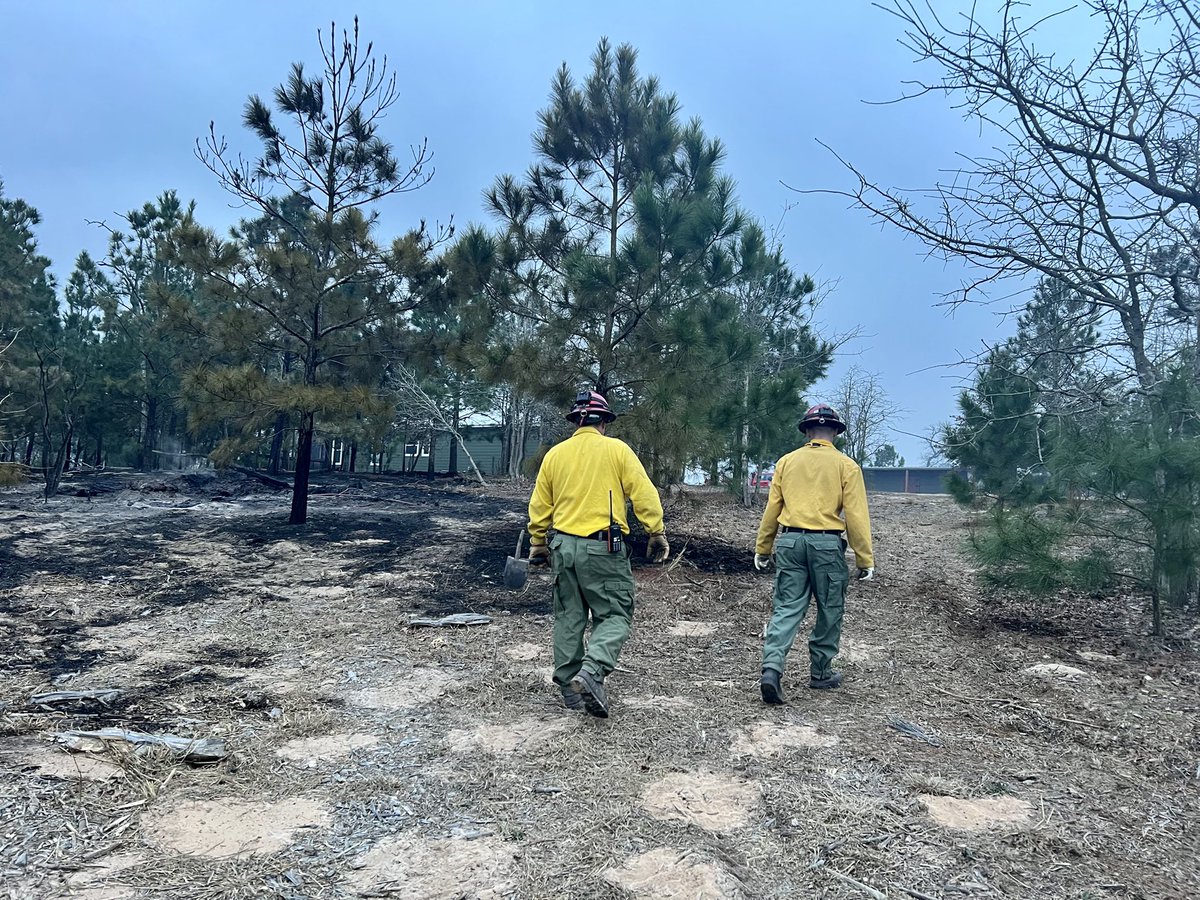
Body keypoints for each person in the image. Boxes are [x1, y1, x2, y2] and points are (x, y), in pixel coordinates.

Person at [527, 390, 670, 718]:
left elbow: (540, 505)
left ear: (575, 421)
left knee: (569, 616)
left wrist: (538, 543)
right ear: (604, 421)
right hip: (603, 546)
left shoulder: (555, 456)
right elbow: (644, 494)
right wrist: (656, 532)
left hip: (563, 546)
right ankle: (591, 672)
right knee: (615, 614)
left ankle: (569, 689)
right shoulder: (617, 450)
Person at [754, 403, 875, 704]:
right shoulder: (847, 466)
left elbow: (773, 509)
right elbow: (856, 516)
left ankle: (772, 668)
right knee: (829, 609)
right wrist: (865, 558)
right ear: (835, 432)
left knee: (786, 608)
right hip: (826, 545)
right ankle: (820, 673)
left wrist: (763, 547)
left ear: (807, 431)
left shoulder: (786, 462)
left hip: (790, 542)